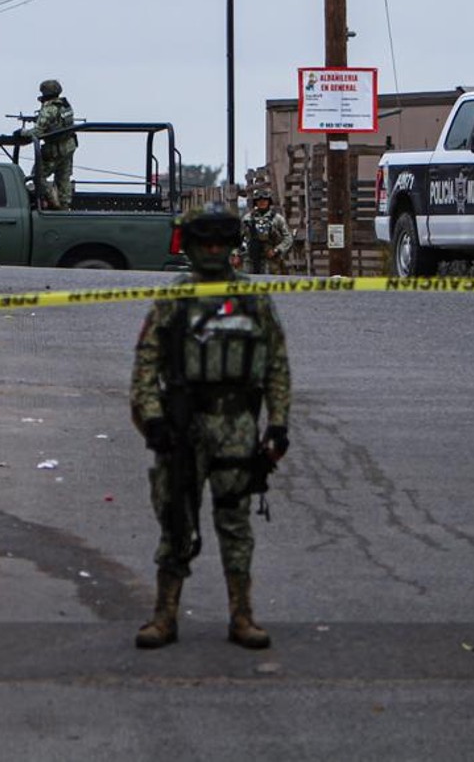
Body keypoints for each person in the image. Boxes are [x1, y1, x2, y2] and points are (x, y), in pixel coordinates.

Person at [129, 203, 292, 650]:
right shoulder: (175, 299)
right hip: (184, 425)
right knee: (176, 521)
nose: (214, 250)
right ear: (194, 247)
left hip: (237, 424)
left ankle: (242, 616)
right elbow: (146, 363)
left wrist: (277, 425)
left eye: (222, 243)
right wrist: (153, 420)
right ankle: (164, 616)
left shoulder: (253, 299)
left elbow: (276, 363)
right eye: (206, 243)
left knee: (235, 523)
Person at [19, 78, 76, 210]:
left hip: (55, 150)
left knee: (37, 176)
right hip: (69, 147)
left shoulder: (49, 109)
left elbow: (38, 131)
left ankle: (51, 195)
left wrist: (23, 133)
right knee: (63, 178)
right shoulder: (65, 106)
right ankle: (64, 205)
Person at [240, 186, 294, 275]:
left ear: (269, 201)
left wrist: (276, 250)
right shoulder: (247, 219)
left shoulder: (277, 219)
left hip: (272, 259)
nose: (262, 202)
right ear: (255, 202)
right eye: (259, 201)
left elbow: (288, 238)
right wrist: (237, 254)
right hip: (251, 259)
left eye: (265, 200)